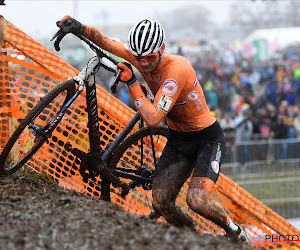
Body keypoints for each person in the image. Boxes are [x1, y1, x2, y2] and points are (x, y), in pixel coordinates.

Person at [57, 16, 251, 245]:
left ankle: (235, 231)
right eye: (140, 59)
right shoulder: (143, 56)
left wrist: (131, 83)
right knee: (160, 203)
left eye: (149, 57)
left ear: (162, 49)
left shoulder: (176, 69)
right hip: (179, 139)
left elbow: (152, 119)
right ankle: (195, 241)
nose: (145, 63)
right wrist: (79, 27)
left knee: (197, 200)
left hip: (206, 139)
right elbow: (107, 42)